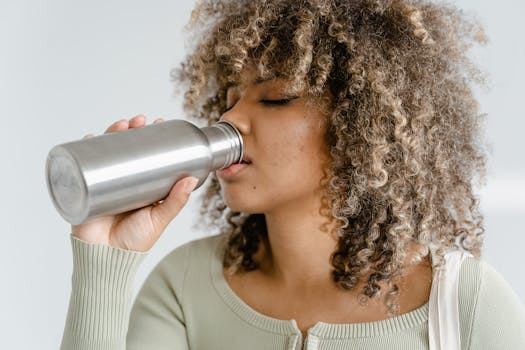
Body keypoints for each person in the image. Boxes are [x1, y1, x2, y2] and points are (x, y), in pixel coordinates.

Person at [60, 0, 525, 349]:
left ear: (360, 125)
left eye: (275, 98)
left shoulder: (466, 305)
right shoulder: (183, 287)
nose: (232, 120)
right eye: (230, 97)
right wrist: (102, 261)